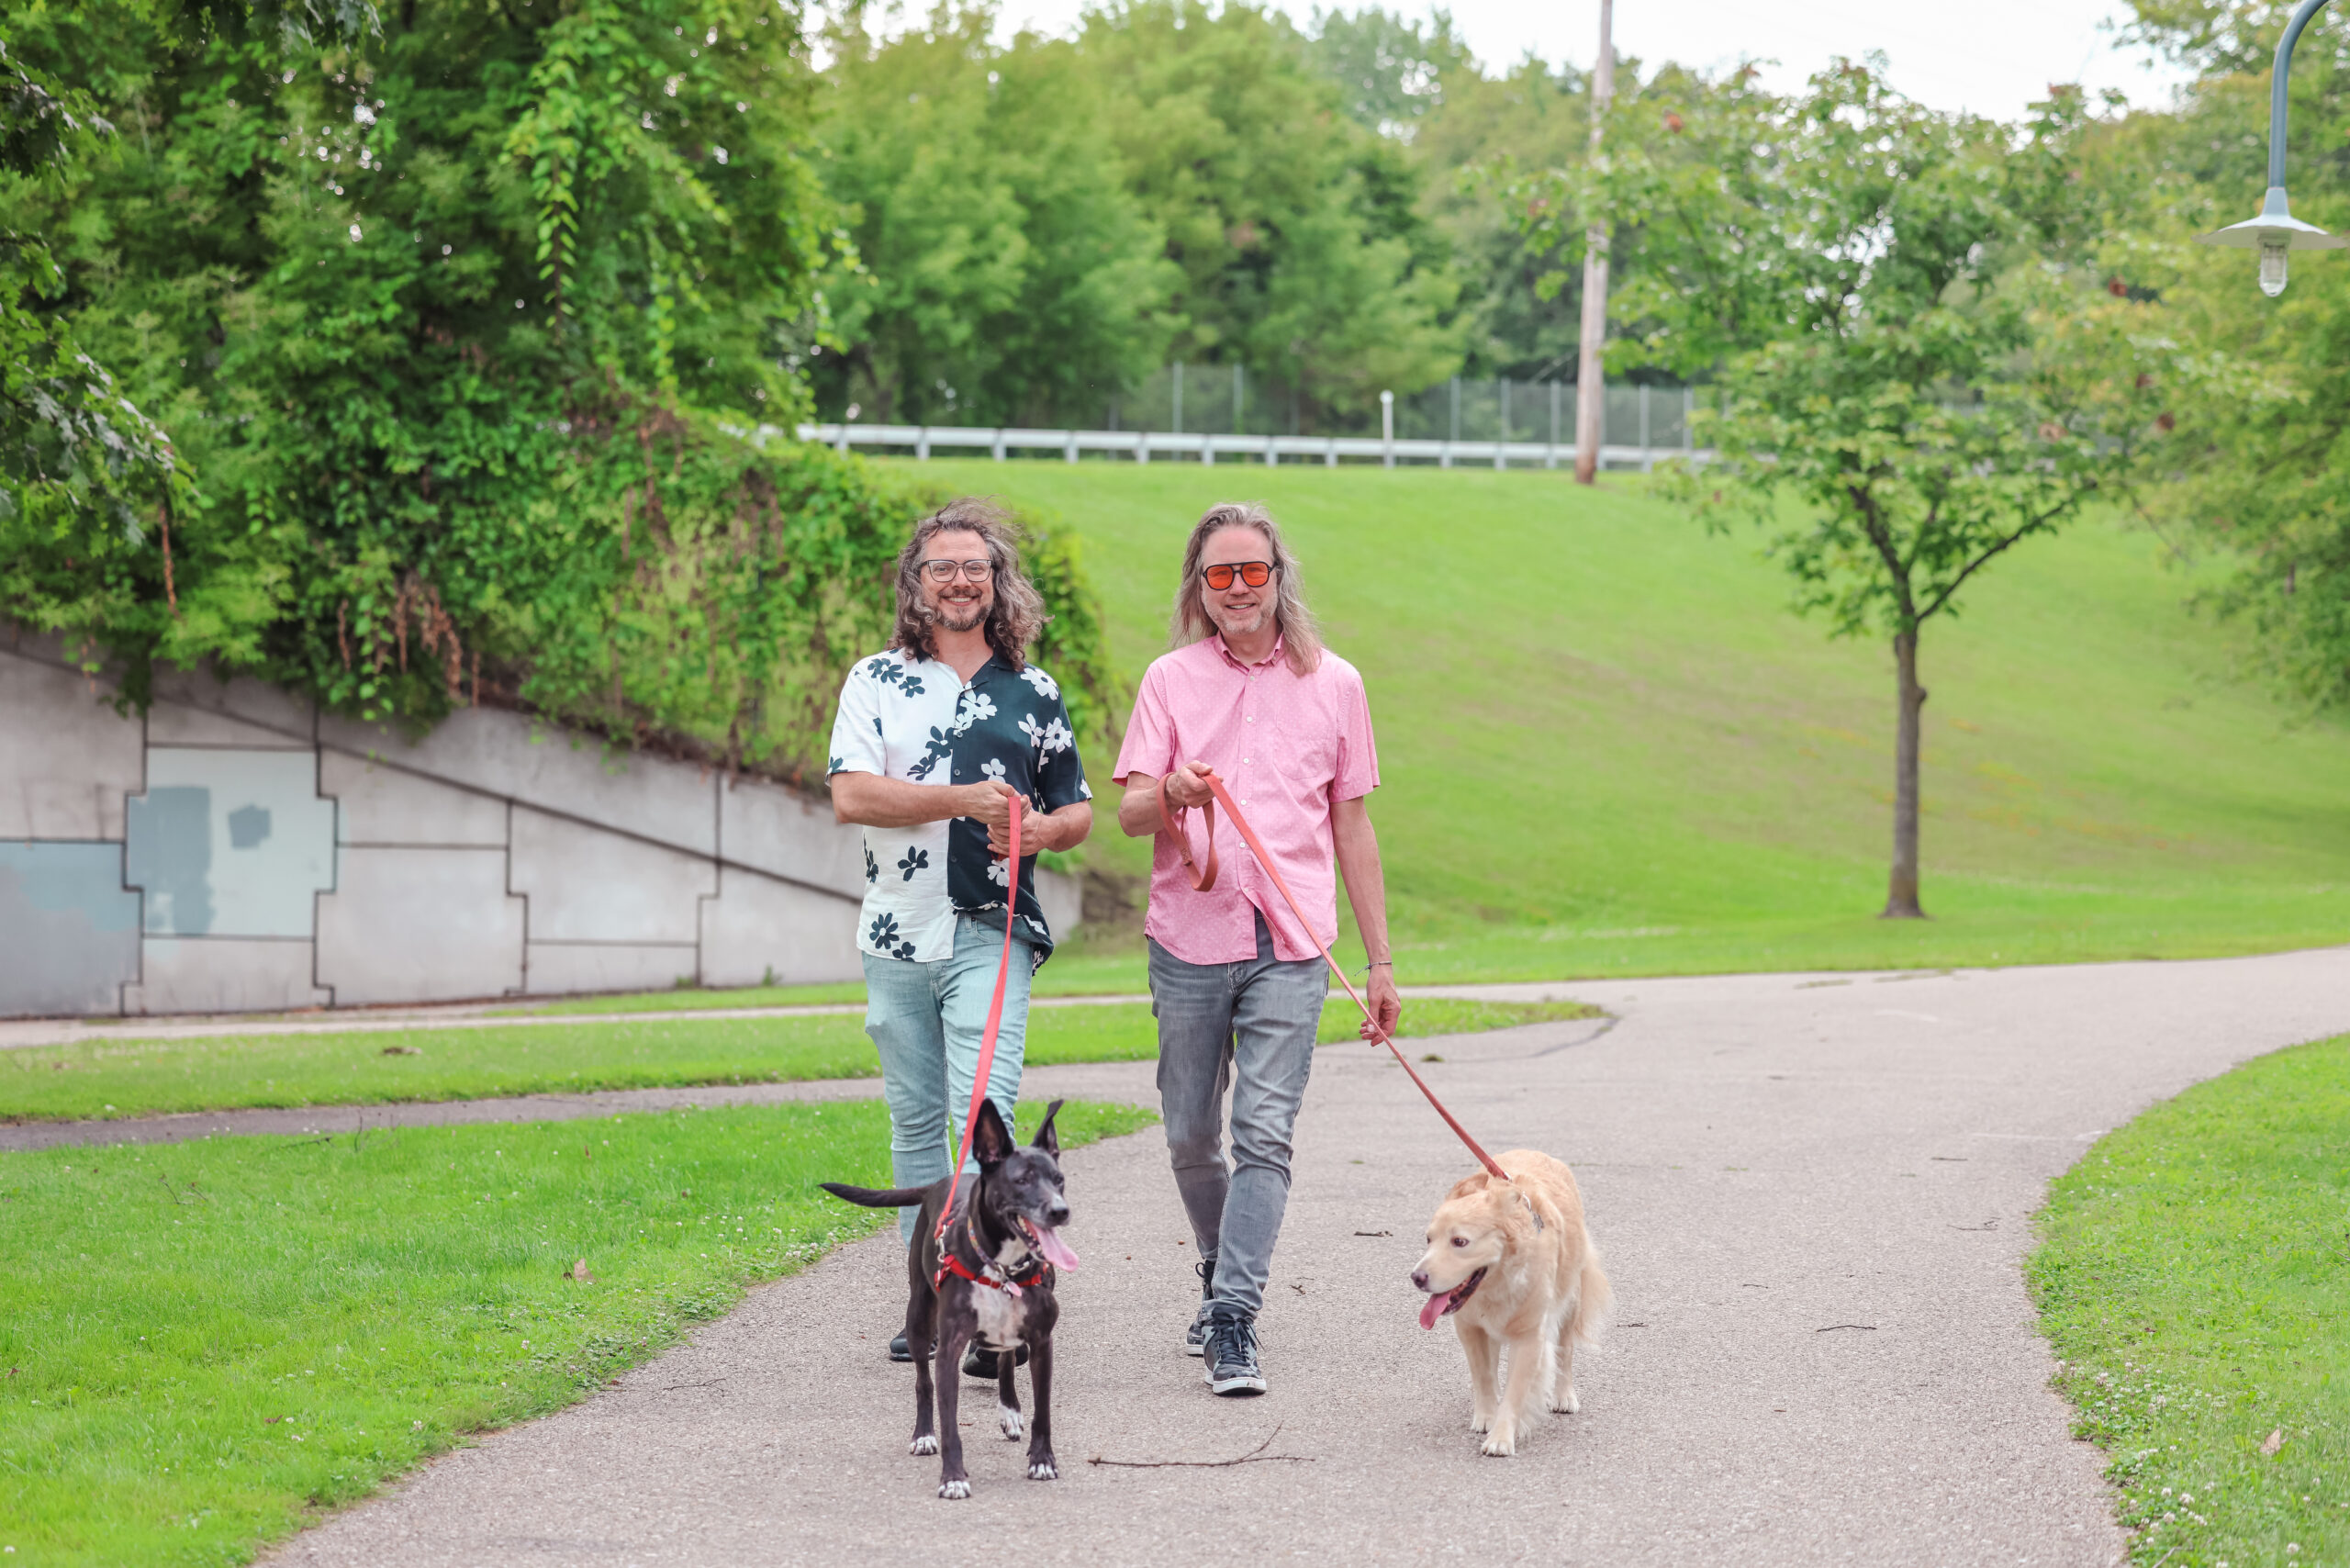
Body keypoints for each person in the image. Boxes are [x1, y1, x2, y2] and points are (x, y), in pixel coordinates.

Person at [1112, 500, 1399, 1396]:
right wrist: (1173, 789)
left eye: (1252, 571)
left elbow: (1352, 826)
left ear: (1278, 578)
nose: (1238, 588)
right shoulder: (1169, 680)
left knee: (1263, 1133)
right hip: (1188, 938)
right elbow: (1129, 814)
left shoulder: (1336, 683)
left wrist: (1381, 963)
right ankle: (1216, 1268)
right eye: (1220, 574)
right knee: (1192, 1134)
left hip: (1293, 940)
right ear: (1199, 588)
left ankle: (1234, 1315)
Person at [828, 497, 1094, 1372]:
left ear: (996, 580)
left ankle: (999, 1299)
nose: (958, 580)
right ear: (916, 582)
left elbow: (1077, 809)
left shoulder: (1034, 691)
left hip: (993, 924)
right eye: (940, 566)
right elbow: (852, 795)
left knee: (986, 1118)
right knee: (914, 1123)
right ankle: (933, 1296)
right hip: (896, 929)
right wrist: (962, 802)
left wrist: (1042, 831)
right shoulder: (875, 680)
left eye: (974, 566)